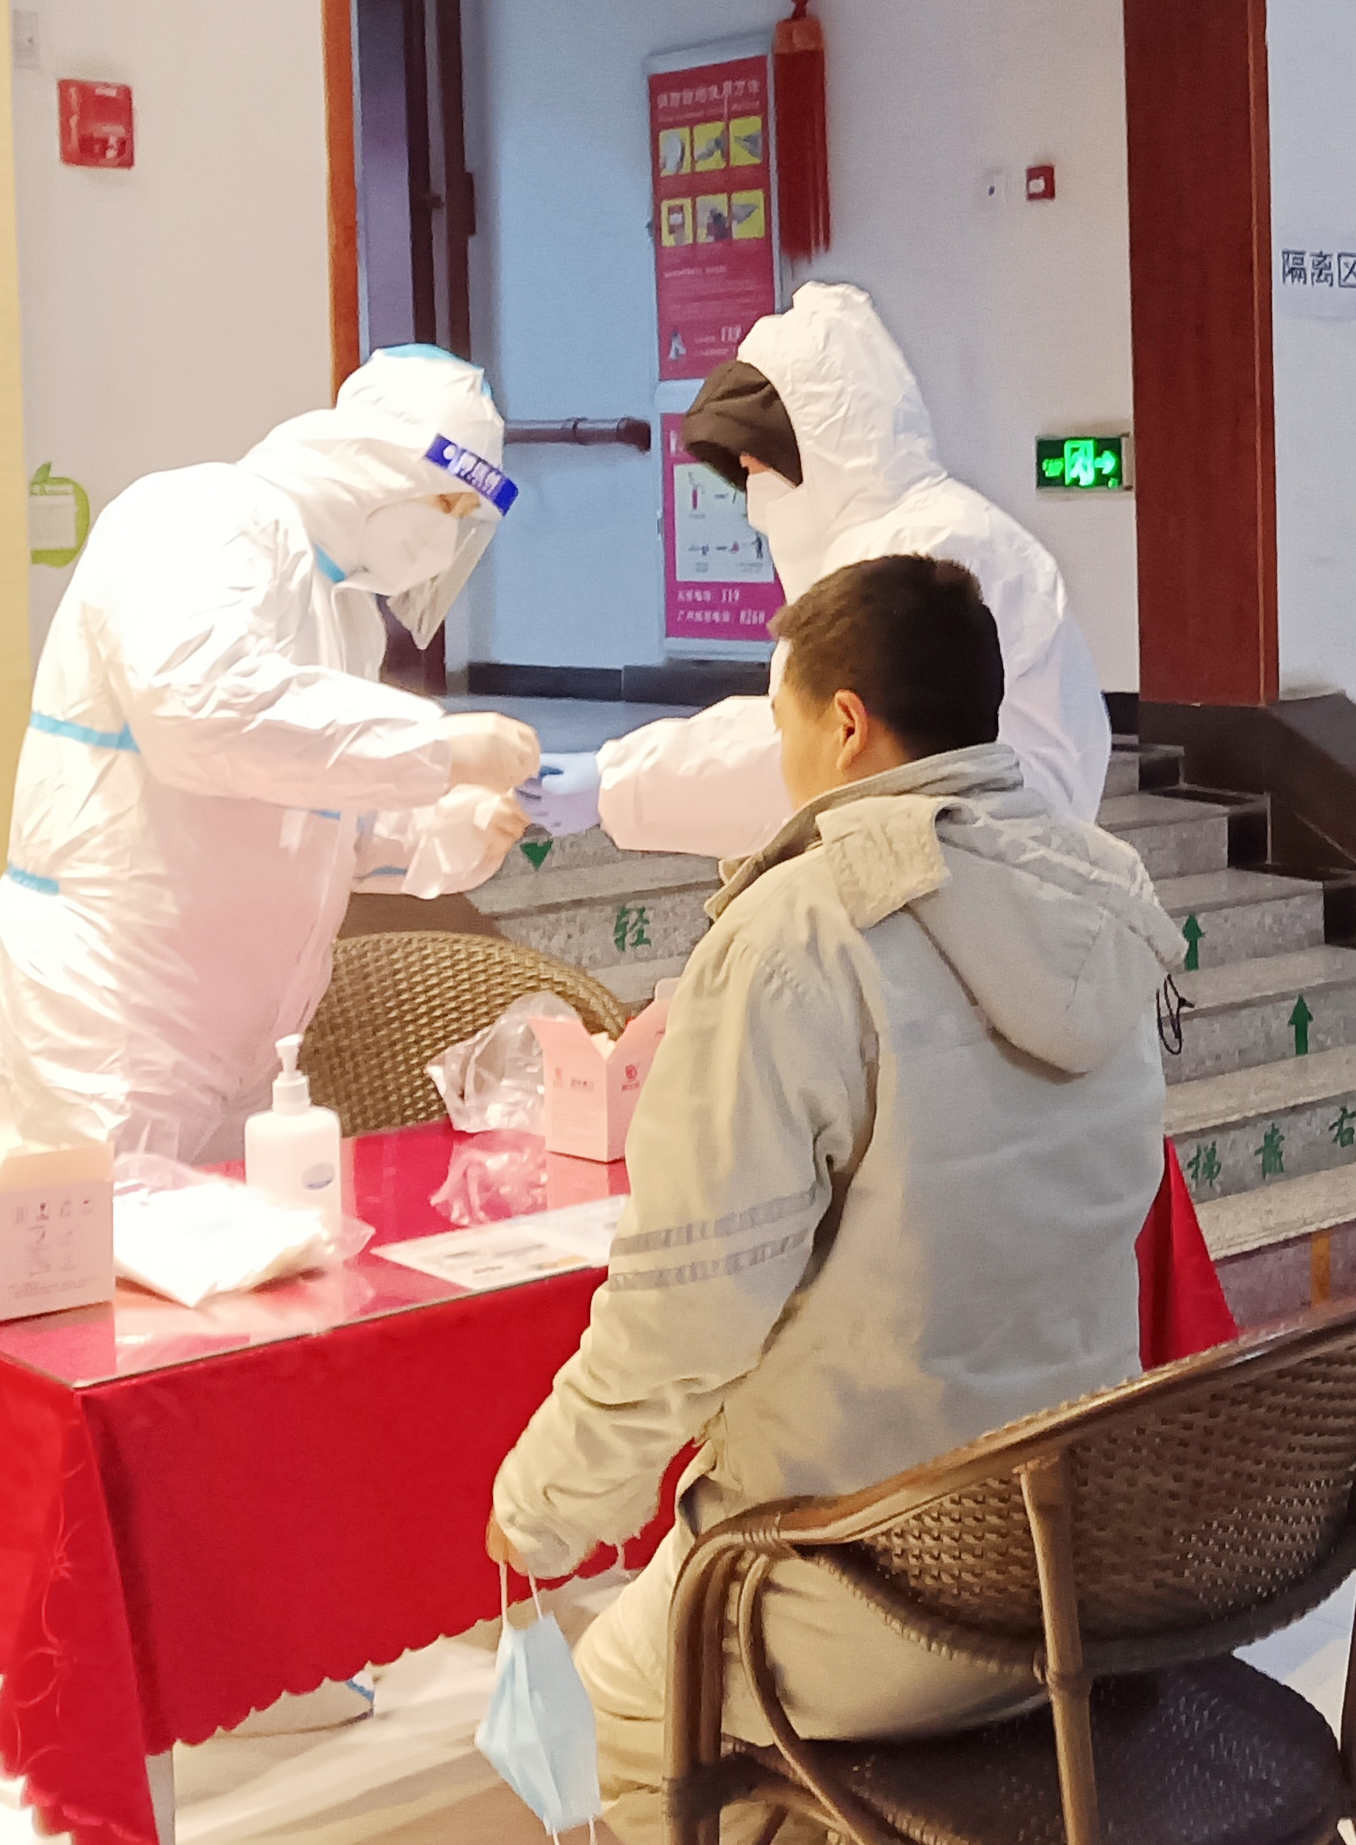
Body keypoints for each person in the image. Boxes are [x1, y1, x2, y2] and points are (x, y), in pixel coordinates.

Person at [487, 555, 1178, 1844]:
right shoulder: (1105, 891)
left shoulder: (797, 934)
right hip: (1089, 1559)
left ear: (846, 722)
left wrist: (539, 1509)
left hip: (875, 1588)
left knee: (606, 1712)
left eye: (783, 721)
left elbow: (687, 1311)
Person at [0, 347, 546, 1165]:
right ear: (381, 464)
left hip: (240, 1039)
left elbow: (316, 811)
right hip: (110, 1014)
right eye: (446, 503)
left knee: (228, 1244)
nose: (446, 536)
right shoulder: (199, 517)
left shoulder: (341, 613)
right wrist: (435, 745)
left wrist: (455, 827)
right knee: (119, 1241)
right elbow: (199, 714)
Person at [515, 282, 1109, 849]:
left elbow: (817, 748)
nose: (753, 496)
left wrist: (619, 783)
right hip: (978, 849)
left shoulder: (919, 549)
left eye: (756, 466)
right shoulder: (921, 529)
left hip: (976, 849)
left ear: (813, 450)